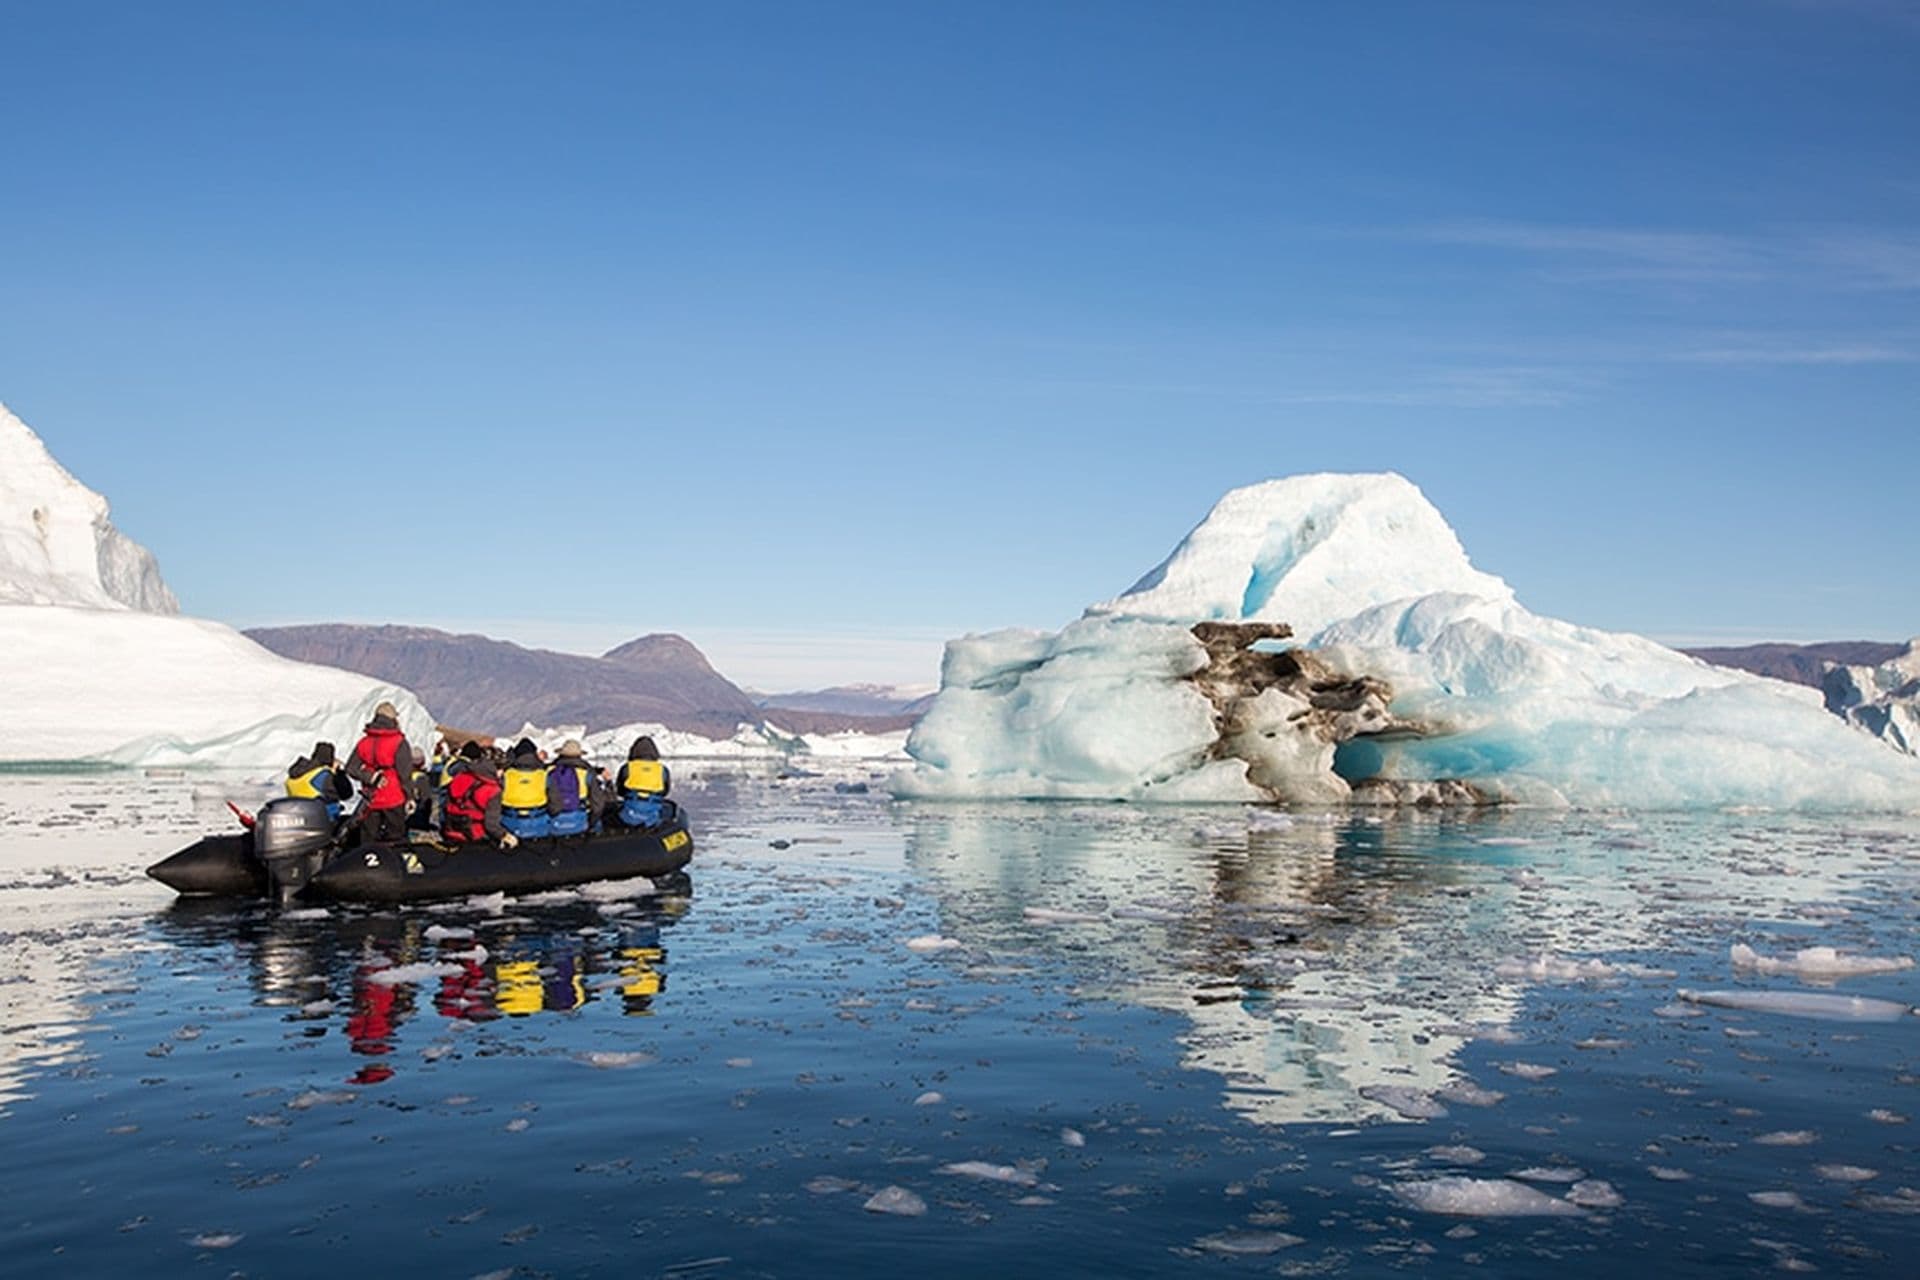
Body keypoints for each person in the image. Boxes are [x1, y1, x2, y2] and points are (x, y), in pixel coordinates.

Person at [347, 701, 415, 844]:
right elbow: (405, 774)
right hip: (393, 797)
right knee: (396, 838)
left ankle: (367, 864)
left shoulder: (364, 742)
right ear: (393, 719)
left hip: (371, 797)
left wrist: (370, 777)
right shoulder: (398, 742)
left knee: (368, 840)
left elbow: (351, 768)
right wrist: (410, 796)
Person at [443, 749, 517, 849]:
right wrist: (505, 836)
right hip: (475, 836)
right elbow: (491, 826)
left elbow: (447, 804)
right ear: (497, 768)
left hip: (450, 831)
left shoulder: (460, 776)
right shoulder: (493, 790)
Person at [609, 735, 673, 828]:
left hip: (629, 811)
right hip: (653, 813)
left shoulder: (627, 767)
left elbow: (620, 791)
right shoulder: (662, 769)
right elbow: (665, 792)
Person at [545, 739, 605, 836]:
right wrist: (591, 823)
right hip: (579, 821)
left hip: (554, 821)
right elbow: (598, 804)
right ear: (580, 755)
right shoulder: (586, 773)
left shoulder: (549, 771)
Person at [285, 741, 353, 821]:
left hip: (299, 820)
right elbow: (347, 793)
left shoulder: (294, 775)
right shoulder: (323, 776)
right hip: (325, 820)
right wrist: (339, 773)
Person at [500, 737, 551, 838]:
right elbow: (555, 801)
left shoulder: (506, 774)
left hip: (509, 822)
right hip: (538, 821)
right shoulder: (543, 774)